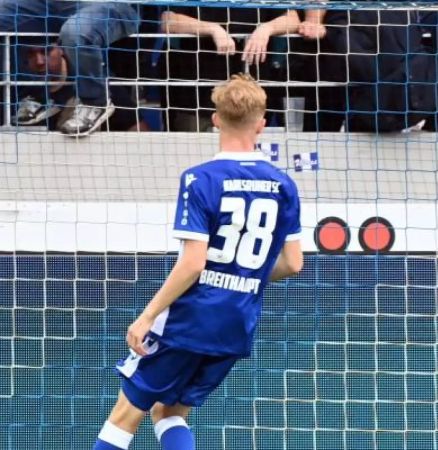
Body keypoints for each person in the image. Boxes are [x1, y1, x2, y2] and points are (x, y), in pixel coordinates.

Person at [92, 74, 303, 450]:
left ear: (216, 119)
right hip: (236, 323)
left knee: (125, 414)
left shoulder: (200, 178)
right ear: (262, 123)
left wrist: (146, 315)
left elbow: (193, 263)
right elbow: (293, 263)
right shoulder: (284, 184)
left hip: (190, 318)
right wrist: (243, 276)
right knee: (169, 413)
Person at [159, 6, 324, 131]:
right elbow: (168, 20)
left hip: (252, 94)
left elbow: (292, 18)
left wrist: (266, 28)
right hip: (199, 93)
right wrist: (212, 29)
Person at [1, 0, 140, 136]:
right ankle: (37, 94)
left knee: (76, 32)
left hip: (105, 5)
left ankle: (95, 103)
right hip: (47, 4)